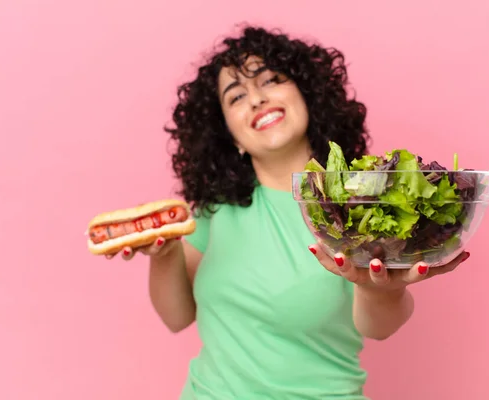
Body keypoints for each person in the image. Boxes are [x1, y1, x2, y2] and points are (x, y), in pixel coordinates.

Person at [107, 25, 470, 399]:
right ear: (230, 136)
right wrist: (164, 254)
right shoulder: (217, 210)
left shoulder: (360, 203)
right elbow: (176, 317)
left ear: (308, 95)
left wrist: (383, 290)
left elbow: (377, 327)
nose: (256, 100)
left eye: (271, 80)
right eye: (235, 97)